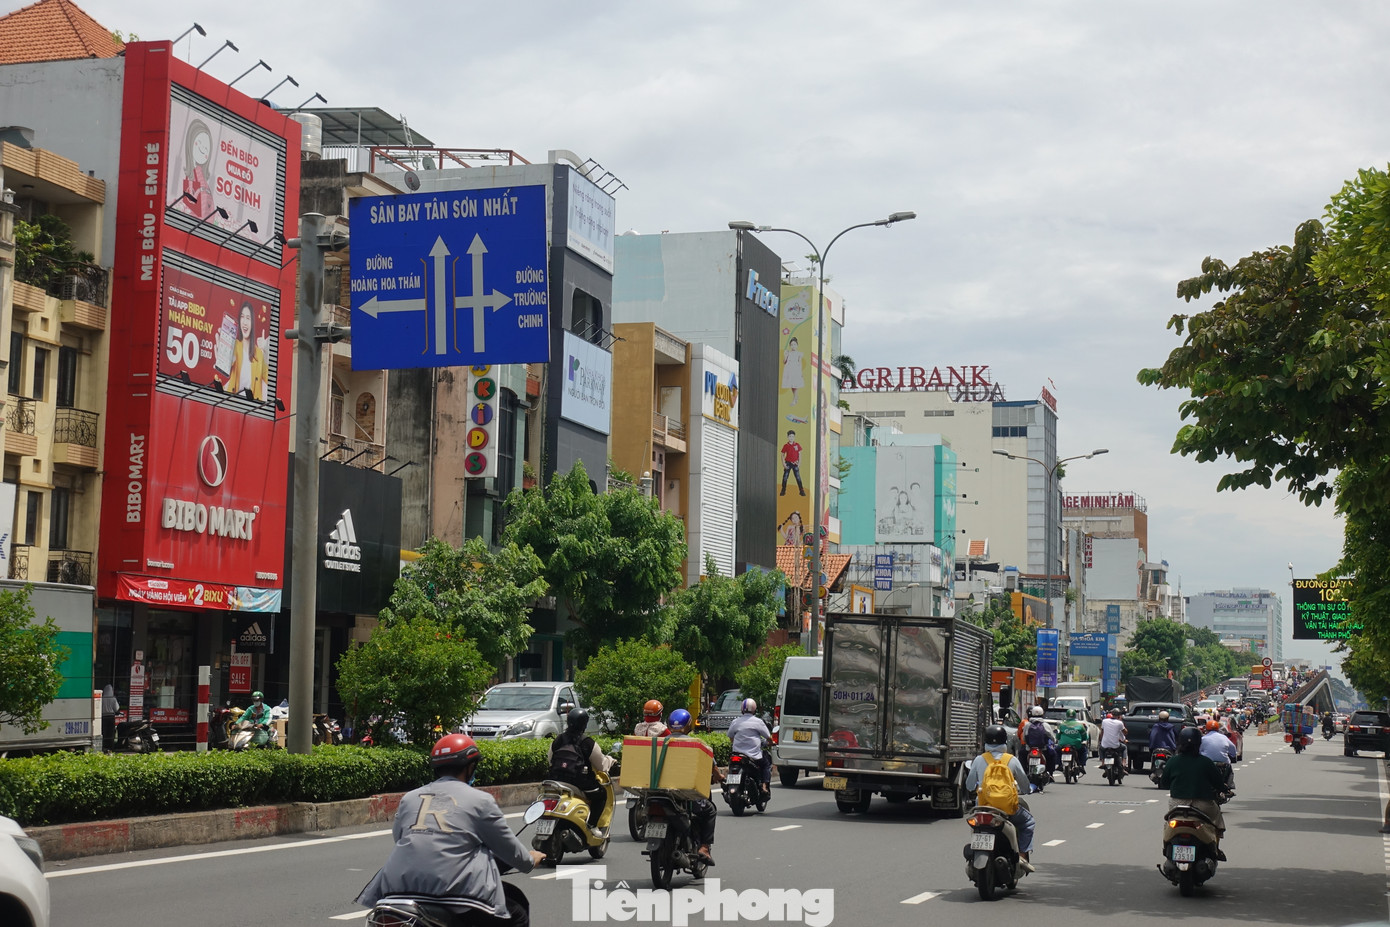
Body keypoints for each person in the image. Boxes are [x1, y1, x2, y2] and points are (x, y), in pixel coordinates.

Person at [357, 733, 543, 925]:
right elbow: (507, 847)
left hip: (394, 891)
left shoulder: (410, 798)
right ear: (470, 767)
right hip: (452, 893)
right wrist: (530, 861)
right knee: (517, 914)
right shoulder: (480, 800)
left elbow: (400, 838)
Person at [965, 724, 1037, 872]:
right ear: (1004, 741)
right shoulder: (1011, 760)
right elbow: (1024, 784)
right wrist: (1026, 790)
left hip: (983, 808)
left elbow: (969, 785)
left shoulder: (979, 760)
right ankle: (1022, 855)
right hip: (1006, 809)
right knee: (1028, 822)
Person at [665, 708, 724, 866]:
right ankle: (704, 848)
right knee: (710, 810)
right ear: (688, 725)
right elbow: (712, 764)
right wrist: (718, 776)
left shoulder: (659, 742)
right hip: (685, 793)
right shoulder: (695, 744)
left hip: (662, 791)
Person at [1161, 726, 1229, 862]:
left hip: (1177, 804)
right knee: (1217, 822)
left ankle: (1167, 845)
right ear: (1199, 744)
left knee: (1168, 824)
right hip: (1203, 805)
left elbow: (1164, 783)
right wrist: (1224, 789)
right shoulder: (1206, 762)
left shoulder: (1173, 761)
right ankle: (1215, 848)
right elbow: (1218, 783)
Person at [547, 708, 615, 832]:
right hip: (579, 782)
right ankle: (592, 826)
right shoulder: (587, 742)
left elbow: (550, 759)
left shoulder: (558, 740)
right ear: (584, 724)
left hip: (555, 780)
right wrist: (611, 760)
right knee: (601, 795)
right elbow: (602, 766)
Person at [726, 698, 773, 799]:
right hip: (753, 756)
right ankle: (764, 786)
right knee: (766, 764)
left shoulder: (735, 721)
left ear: (742, 709)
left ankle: (727, 787)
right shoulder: (758, 722)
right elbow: (769, 738)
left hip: (737, 755)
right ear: (754, 709)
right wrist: (771, 743)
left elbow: (730, 736)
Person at [226, 301, 269, 401]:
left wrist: (265, 350)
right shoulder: (235, 344)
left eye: (248, 318)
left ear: (252, 322)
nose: (245, 322)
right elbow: (226, 366)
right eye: (242, 317)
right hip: (231, 402)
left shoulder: (259, 353)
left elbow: (269, 379)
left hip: (252, 407)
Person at [1200, 718, 1237, 794]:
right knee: (1229, 769)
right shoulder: (1224, 737)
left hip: (1207, 763)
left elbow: (1198, 751)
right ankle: (1228, 787)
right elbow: (1233, 749)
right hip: (1223, 763)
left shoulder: (1203, 739)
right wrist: (1233, 755)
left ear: (1206, 729)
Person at [1021, 705, 1058, 779]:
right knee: (1052, 755)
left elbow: (1024, 738)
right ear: (1042, 714)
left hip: (1029, 749)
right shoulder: (1045, 725)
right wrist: (1054, 741)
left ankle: (1023, 773)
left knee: (1021, 755)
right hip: (1043, 749)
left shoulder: (1027, 725)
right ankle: (1050, 773)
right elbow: (1052, 737)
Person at [1056, 708, 1089, 774]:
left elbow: (1058, 736)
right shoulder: (1080, 725)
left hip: (1063, 745)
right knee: (1084, 750)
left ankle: (1059, 765)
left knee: (1056, 750)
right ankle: (1081, 765)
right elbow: (1084, 736)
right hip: (1076, 745)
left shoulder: (1062, 725)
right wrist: (1083, 739)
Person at [780, 430, 805, 496]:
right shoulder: (786, 445)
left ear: (794, 437)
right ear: (787, 437)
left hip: (795, 463)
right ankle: (783, 489)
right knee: (785, 477)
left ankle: (801, 490)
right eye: (790, 436)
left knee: (798, 477)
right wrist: (783, 464)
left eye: (792, 436)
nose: (791, 438)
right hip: (788, 463)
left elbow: (800, 454)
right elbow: (782, 454)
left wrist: (799, 463)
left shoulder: (797, 445)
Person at [781, 336, 804, 405]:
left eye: (794, 344)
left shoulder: (799, 353)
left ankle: (795, 399)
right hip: (788, 370)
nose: (793, 346)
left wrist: (800, 372)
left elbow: (800, 363)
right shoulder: (788, 353)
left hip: (795, 370)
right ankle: (795, 397)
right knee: (791, 385)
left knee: (795, 385)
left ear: (797, 345)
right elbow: (784, 362)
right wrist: (785, 355)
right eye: (791, 345)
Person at [101, 684, 119, 752]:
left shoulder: (102, 698)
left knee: (104, 732)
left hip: (103, 717)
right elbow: (116, 709)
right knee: (111, 733)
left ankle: (104, 746)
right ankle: (111, 747)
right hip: (111, 717)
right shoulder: (113, 699)